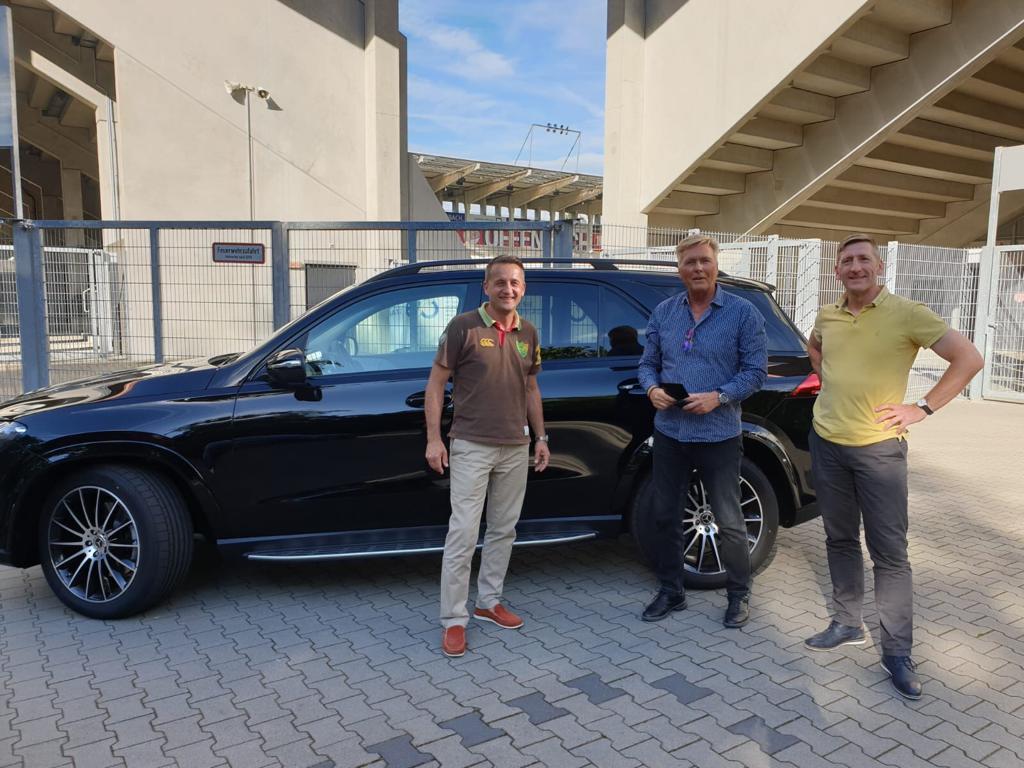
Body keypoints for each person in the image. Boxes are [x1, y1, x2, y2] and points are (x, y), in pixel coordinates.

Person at [804, 233, 983, 700]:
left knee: (889, 553)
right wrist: (829, 381)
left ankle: (897, 652)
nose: (855, 267)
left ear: (879, 266)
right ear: (837, 270)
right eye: (847, 260)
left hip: (879, 451)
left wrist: (922, 407)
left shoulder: (908, 313)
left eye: (864, 259)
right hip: (827, 443)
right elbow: (815, 347)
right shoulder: (827, 314)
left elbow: (969, 358)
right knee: (840, 539)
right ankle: (847, 623)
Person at [638, 234, 767, 627]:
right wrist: (653, 389)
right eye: (690, 262)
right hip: (670, 433)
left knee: (730, 521)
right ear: (680, 270)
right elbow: (647, 364)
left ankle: (738, 595)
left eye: (704, 261)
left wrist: (719, 397)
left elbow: (756, 372)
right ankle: (671, 591)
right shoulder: (664, 312)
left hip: (718, 434)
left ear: (716, 265)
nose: (697, 268)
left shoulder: (743, 313)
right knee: (666, 515)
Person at [424, 254, 550, 658]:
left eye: (515, 283)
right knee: (463, 532)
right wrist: (434, 439)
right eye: (500, 282)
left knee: (503, 529)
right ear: (487, 287)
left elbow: (531, 388)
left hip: (516, 446)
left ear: (523, 289)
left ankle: (488, 602)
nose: (507, 289)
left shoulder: (529, 332)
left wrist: (541, 437)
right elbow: (435, 384)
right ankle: (454, 619)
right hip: (471, 444)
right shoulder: (463, 326)